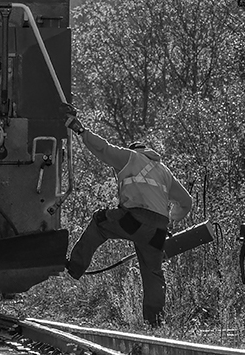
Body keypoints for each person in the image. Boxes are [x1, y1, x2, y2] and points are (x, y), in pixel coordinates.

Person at [63, 111, 193, 325]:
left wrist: (80, 129)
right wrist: (170, 218)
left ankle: (75, 266)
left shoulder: (129, 157)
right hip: (158, 228)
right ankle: (155, 322)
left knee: (100, 223)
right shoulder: (163, 171)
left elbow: (103, 148)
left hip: (133, 218)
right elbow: (186, 202)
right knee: (153, 272)